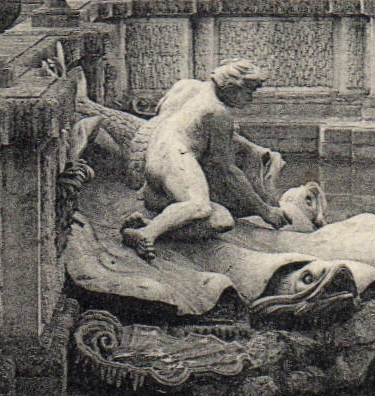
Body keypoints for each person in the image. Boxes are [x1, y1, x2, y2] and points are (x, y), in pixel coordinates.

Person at [120, 60, 279, 259]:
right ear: (231, 87)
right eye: (248, 91)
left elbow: (160, 113)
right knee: (200, 206)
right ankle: (146, 234)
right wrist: (266, 211)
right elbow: (226, 169)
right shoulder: (218, 113)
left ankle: (153, 223)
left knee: (219, 219)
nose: (250, 98)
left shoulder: (188, 87)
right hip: (175, 157)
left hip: (152, 158)